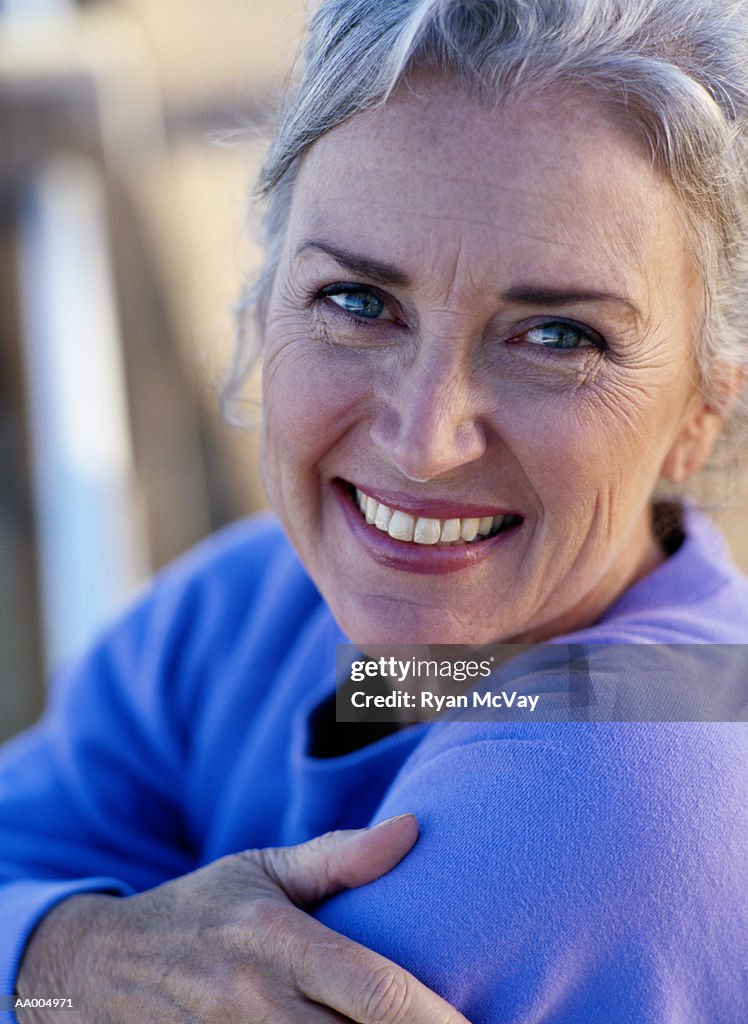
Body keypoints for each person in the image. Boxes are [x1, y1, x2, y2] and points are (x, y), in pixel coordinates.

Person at [3, 0, 748, 1021]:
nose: (422, 438)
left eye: (557, 336)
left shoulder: (624, 785)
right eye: (357, 301)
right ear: (267, 298)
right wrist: (70, 954)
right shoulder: (243, 608)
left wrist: (52, 953)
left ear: (700, 411)